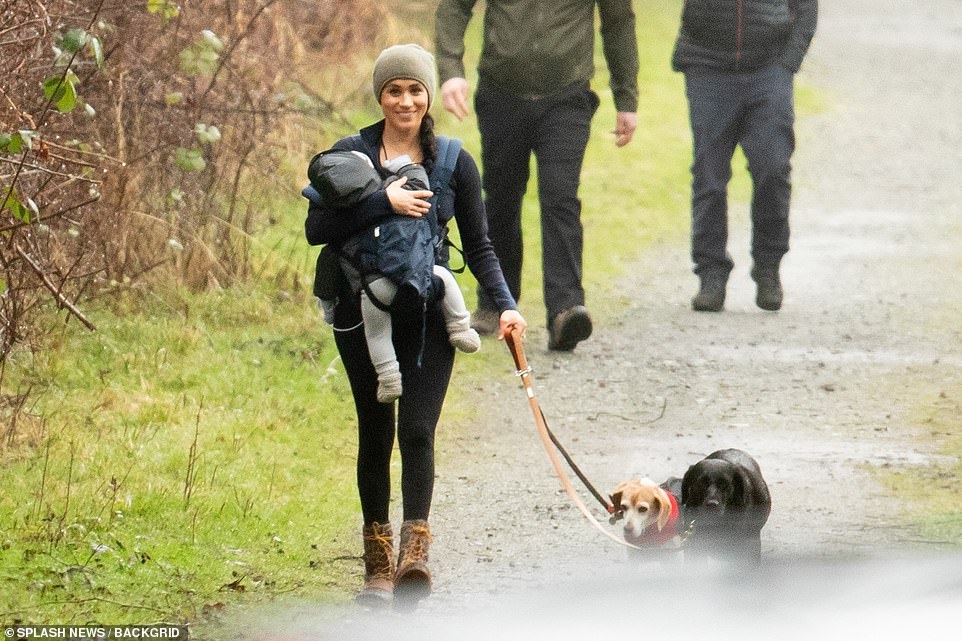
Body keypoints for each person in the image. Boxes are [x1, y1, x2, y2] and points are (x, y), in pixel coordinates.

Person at [304, 43, 526, 610]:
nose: (405, 101)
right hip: (361, 312)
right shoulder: (349, 154)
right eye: (394, 90)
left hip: (428, 313)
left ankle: (414, 556)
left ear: (430, 97)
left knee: (419, 432)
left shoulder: (453, 161)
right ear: (380, 95)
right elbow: (315, 228)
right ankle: (376, 567)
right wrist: (384, 202)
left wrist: (503, 305)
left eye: (415, 90)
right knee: (375, 434)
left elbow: (479, 245)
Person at [435, 0, 639, 351]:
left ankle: (565, 311)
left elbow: (618, 21)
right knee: (501, 198)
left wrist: (626, 97)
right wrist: (451, 68)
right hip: (501, 92)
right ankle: (496, 303)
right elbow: (454, 7)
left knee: (560, 198)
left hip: (567, 96)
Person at [673, 0, 818, 312]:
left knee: (773, 169)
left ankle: (768, 267)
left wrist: (789, 60)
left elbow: (806, 6)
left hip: (769, 68)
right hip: (707, 65)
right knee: (709, 176)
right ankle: (711, 274)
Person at [305, 150, 482, 403]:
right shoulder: (391, 186)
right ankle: (460, 327)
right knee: (444, 277)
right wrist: (405, 165)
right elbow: (419, 185)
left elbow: (327, 269)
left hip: (373, 286)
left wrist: (329, 307)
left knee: (377, 335)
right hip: (416, 274)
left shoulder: (340, 212)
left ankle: (388, 378)